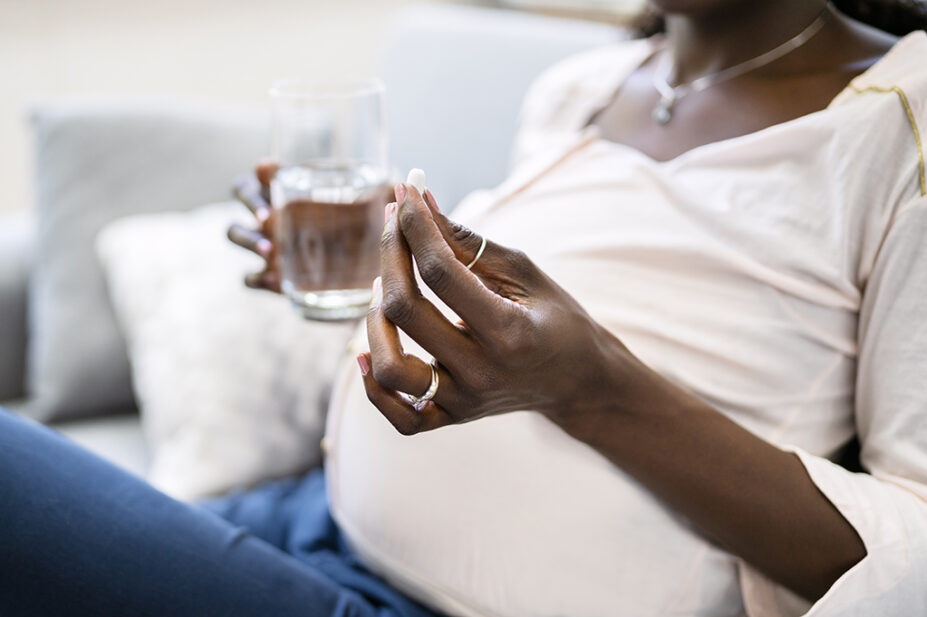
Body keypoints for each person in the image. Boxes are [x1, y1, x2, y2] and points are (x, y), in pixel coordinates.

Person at [2, 1, 926, 615]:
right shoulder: (582, 87)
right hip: (310, 517)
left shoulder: (901, 116)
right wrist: (379, 256)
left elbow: (911, 556)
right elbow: (550, 297)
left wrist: (591, 386)